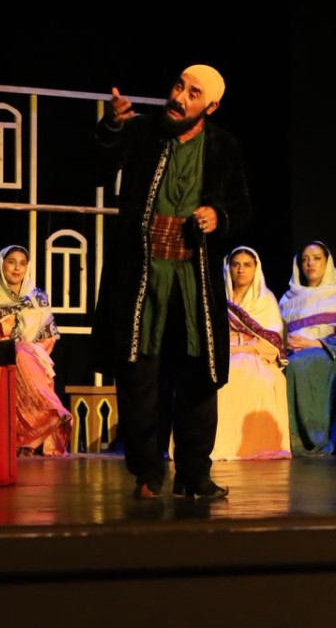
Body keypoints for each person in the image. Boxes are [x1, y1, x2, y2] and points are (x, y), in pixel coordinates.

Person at [91, 64, 251, 499]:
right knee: (140, 375)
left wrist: (219, 216)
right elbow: (99, 167)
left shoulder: (222, 146)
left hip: (192, 277)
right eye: (179, 86)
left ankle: (194, 474)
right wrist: (111, 126)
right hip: (143, 276)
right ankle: (147, 473)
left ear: (211, 106)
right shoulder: (143, 132)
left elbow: (241, 206)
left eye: (193, 93)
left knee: (198, 374)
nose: (179, 97)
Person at [0, 245, 72, 456]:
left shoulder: (38, 298)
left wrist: (27, 349)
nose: (17, 268)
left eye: (22, 263)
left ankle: (40, 428)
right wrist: (13, 346)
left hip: (32, 360)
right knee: (18, 353)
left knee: (24, 356)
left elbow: (48, 338)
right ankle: (45, 417)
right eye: (11, 262)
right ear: (2, 265)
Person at [279, 241, 336, 455]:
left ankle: (311, 438)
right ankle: (279, 439)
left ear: (327, 262)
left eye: (316, 259)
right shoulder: (289, 298)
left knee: (298, 365)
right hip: (292, 353)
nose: (310, 264)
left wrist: (315, 344)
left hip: (329, 355)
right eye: (305, 260)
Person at [211, 246, 290, 460]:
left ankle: (248, 446)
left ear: (256, 268)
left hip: (254, 355)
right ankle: (214, 444)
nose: (240, 270)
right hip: (219, 353)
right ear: (228, 267)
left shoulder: (265, 300)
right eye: (235, 264)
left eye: (247, 265)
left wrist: (241, 349)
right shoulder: (216, 297)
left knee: (249, 376)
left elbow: (271, 344)